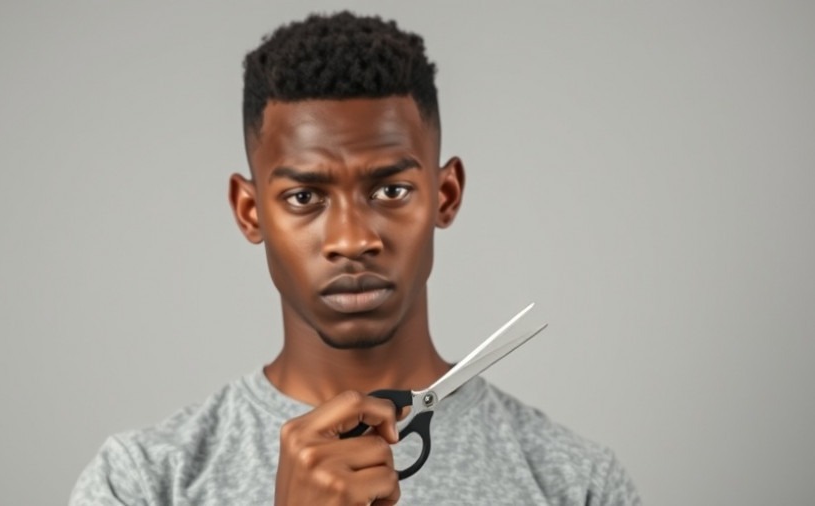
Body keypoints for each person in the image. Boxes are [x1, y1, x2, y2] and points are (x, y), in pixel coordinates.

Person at [70, 11, 641, 505]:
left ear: (445, 196)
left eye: (390, 191)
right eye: (304, 197)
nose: (351, 238)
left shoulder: (576, 483)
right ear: (250, 212)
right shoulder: (143, 481)